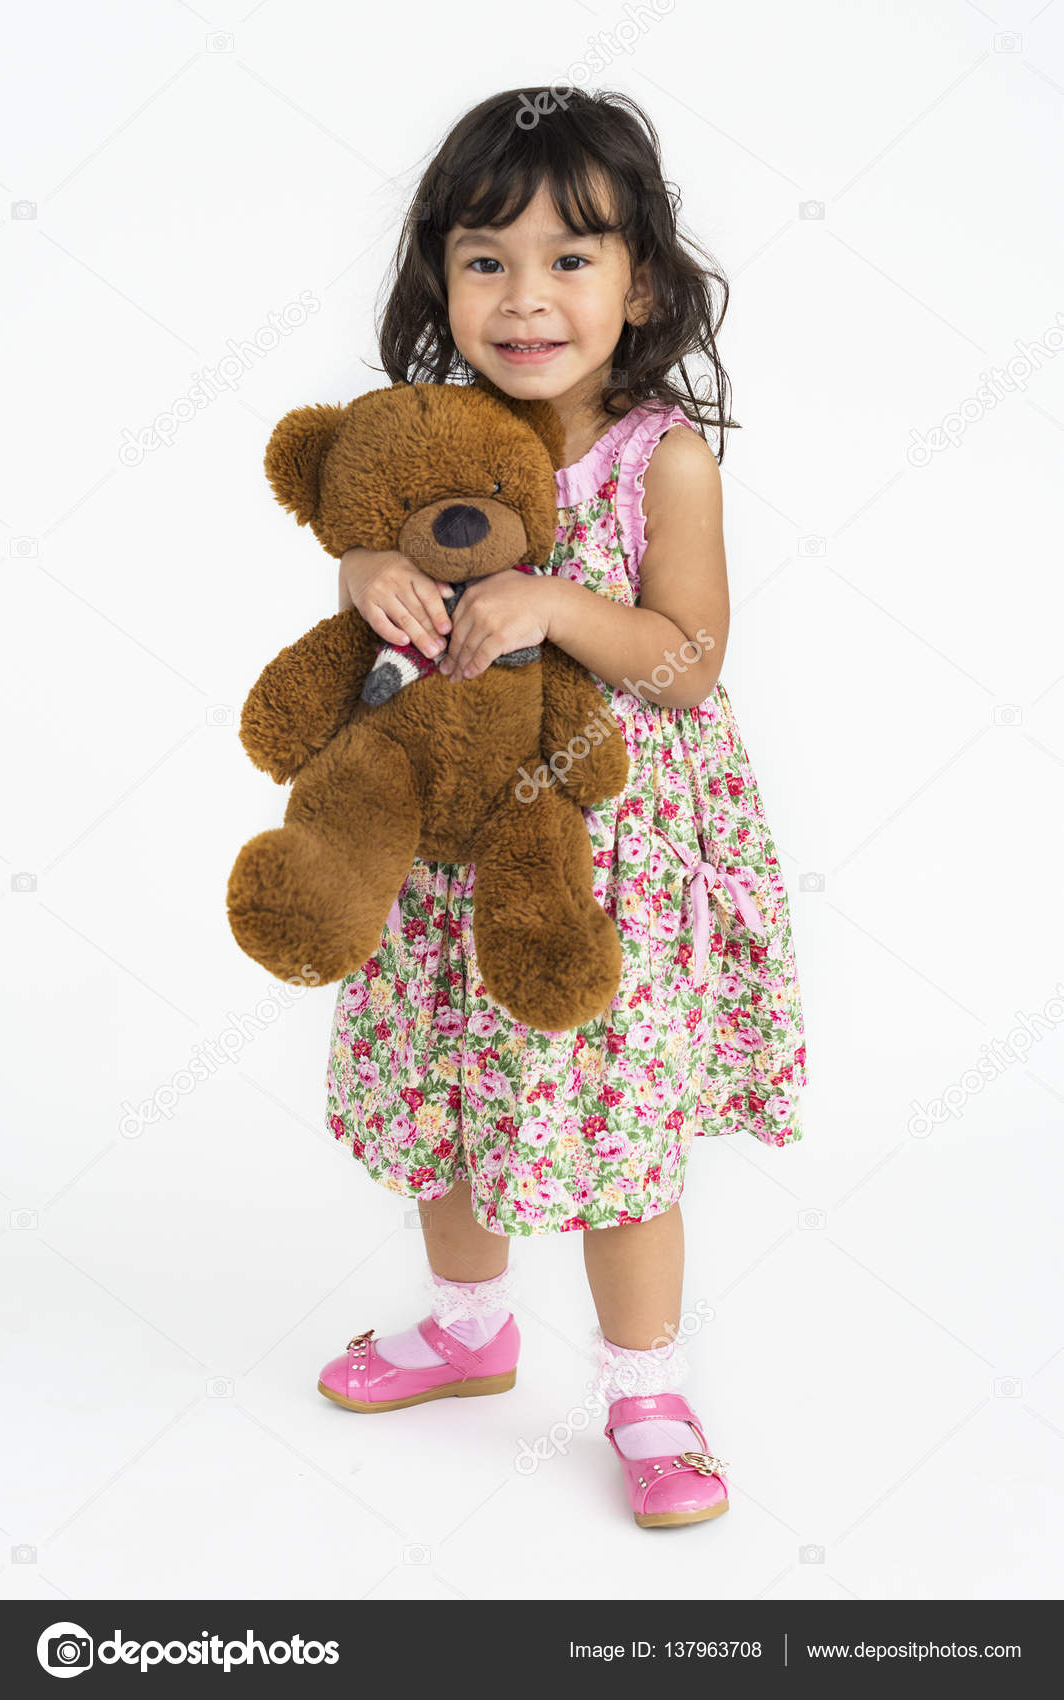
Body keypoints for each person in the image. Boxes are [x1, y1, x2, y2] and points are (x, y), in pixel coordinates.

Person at [317, 86, 807, 1529]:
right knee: (448, 1087)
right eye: (487, 259)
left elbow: (690, 657)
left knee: (612, 1117)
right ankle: (471, 1326)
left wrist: (555, 601)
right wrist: (363, 579)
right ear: (440, 277)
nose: (526, 298)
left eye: (572, 258)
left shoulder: (664, 458)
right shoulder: (427, 434)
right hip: (450, 846)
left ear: (641, 280)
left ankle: (647, 1386)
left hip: (613, 867)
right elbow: (362, 543)